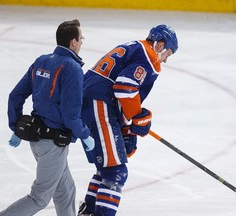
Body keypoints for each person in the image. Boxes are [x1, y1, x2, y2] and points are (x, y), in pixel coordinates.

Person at [0, 19, 94, 216]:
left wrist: (16, 126)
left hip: (39, 140)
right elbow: (70, 114)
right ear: (73, 42)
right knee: (39, 198)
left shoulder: (42, 60)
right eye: (81, 38)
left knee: (66, 191)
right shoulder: (72, 69)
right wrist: (84, 134)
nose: (82, 42)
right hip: (52, 145)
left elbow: (15, 96)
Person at [78, 24, 178, 216]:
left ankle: (88, 212)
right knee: (116, 172)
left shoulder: (135, 47)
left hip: (92, 104)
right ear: (160, 45)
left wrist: (125, 128)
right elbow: (125, 87)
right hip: (99, 105)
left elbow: (119, 89)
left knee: (107, 167)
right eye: (168, 54)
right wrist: (138, 116)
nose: (165, 60)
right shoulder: (149, 56)